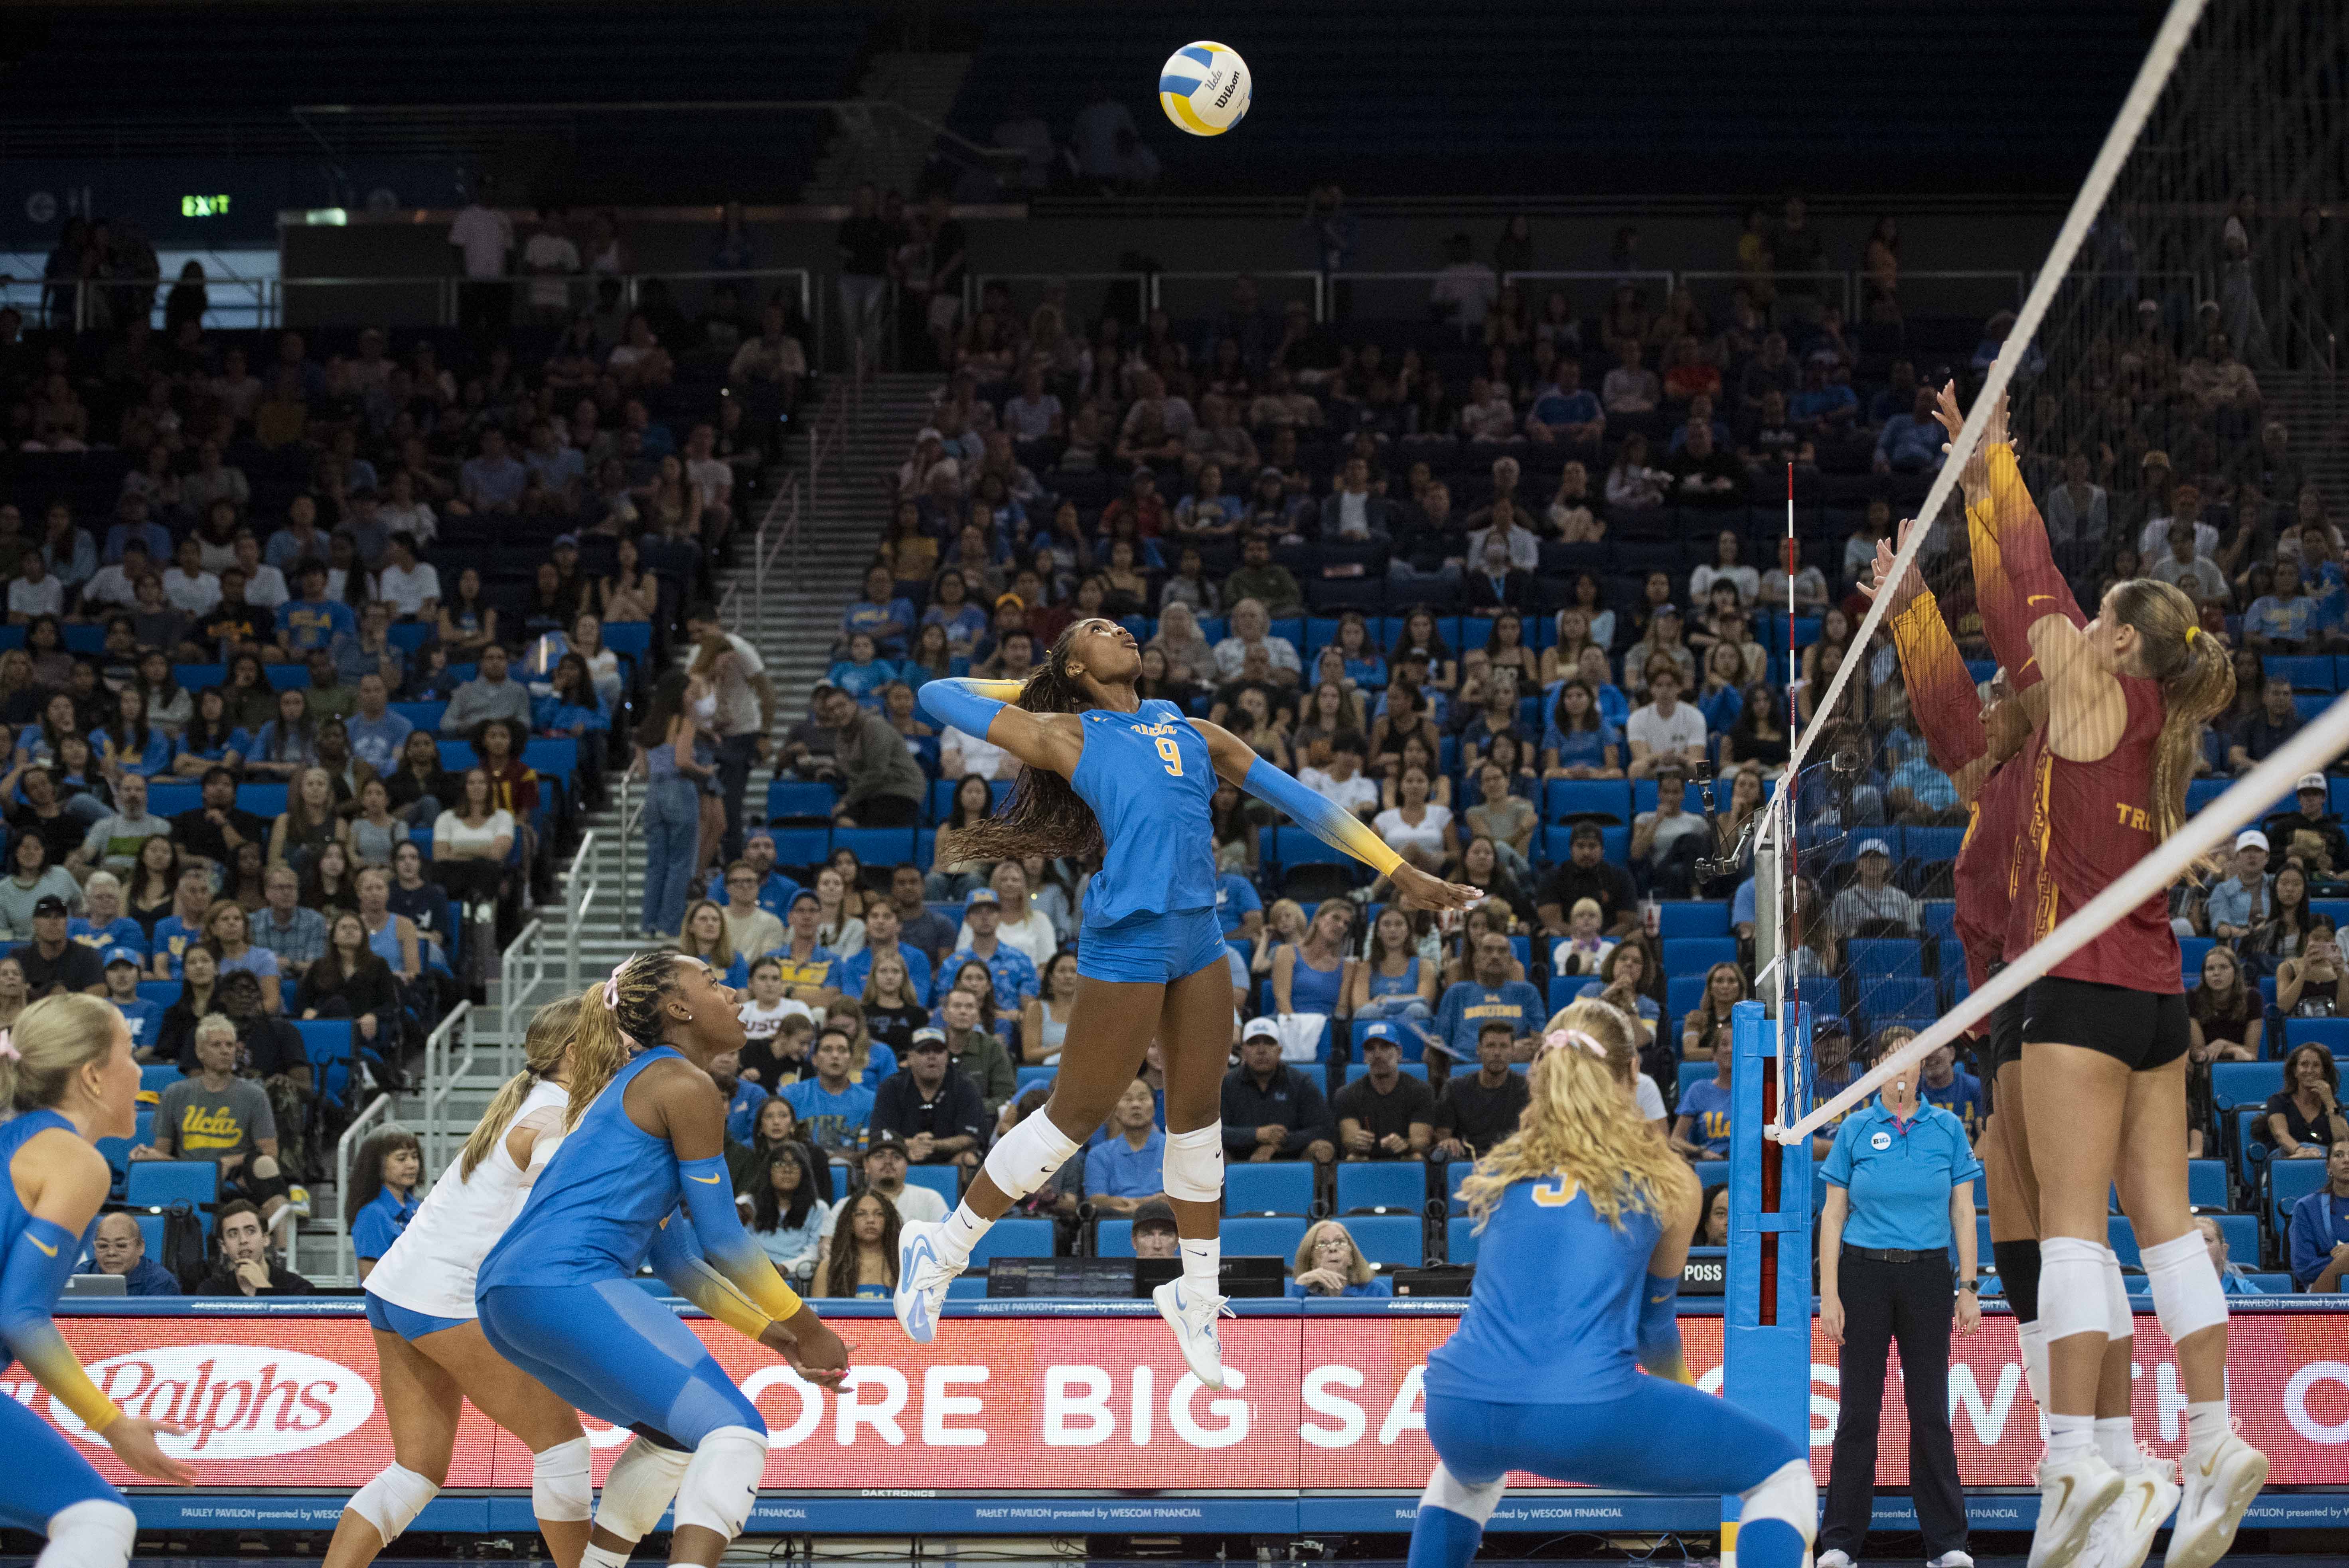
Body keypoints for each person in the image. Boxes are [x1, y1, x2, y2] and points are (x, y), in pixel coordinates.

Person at [896, 618, 1477, 1384]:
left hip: (1199, 935)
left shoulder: (1191, 730)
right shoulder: (1068, 734)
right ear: (1075, 666)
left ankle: (1195, 1296)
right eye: (1101, 631)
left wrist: (1402, 873)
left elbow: (1301, 800)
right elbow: (938, 693)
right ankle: (942, 1247)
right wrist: (1040, 689)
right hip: (1128, 937)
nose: (1123, 630)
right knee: (1074, 1116)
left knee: (1198, 1117)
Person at [1950, 387, 2260, 1568]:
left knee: (2075, 1231)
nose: (2076, 630)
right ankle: (2216, 1432)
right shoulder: (2151, 719)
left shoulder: (2091, 691)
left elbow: (2020, 591)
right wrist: (1982, 487)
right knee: (2168, 1227)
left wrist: (1992, 469)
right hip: (2157, 999)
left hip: (2075, 992)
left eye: (2096, 621)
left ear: (2120, 636)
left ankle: (2086, 1457)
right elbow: (2018, 603)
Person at [1408, 1003, 1816, 1568]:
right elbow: (1652, 1331)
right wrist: (1688, 1394)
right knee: (1781, 1471)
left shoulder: (1509, 1165)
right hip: (1583, 1410)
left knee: (1462, 1481)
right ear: (1633, 1077)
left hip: (1457, 1407)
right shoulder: (1667, 1175)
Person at [474, 957, 851, 1568]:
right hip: (562, 1283)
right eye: (713, 980)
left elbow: (677, 1261)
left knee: (672, 1437)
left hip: (506, 1301)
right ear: (678, 1008)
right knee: (736, 1431)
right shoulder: (684, 1084)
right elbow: (725, 1242)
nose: (732, 991)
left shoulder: (640, 1084)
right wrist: (812, 1328)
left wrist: (779, 1337)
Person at [0, 991, 196, 1560]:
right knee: (98, 1516)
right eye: (129, 1052)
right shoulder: (73, 1158)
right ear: (92, 1075)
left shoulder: (19, 1143)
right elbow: (19, 1314)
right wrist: (112, 1422)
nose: (139, 1068)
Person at [1815, 1054, 1984, 1568]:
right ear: (1875, 1073)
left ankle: (1947, 1544)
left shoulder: (1947, 1127)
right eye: (1891, 1065)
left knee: (1930, 1410)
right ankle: (1840, 1542)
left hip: (1928, 1276)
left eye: (1910, 1063)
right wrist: (1829, 1292)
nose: (1902, 1073)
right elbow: (1834, 1212)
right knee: (1858, 1412)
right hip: (1862, 1275)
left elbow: (1962, 1209)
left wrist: (1969, 1286)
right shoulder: (1855, 1128)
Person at [135, 1012, 295, 1224]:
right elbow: (162, 1154)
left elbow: (270, 1153)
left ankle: (281, 1254)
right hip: (188, 1178)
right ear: (200, 1052)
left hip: (235, 1183)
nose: (225, 1051)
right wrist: (146, 1155)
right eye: (217, 1045)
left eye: (230, 1045)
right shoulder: (175, 1094)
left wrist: (230, 1162)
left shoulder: (254, 1094)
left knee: (271, 1182)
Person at [1221, 1018, 1339, 1166]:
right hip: (1238, 1161)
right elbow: (1214, 1131)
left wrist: (1279, 1144)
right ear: (1244, 1050)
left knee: (1323, 1148)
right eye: (1253, 1043)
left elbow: (1325, 1129)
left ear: (1280, 1050)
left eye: (1269, 1043)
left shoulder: (1300, 1082)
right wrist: (1256, 1135)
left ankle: (1309, 1189)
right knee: (1213, 1153)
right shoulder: (1227, 1083)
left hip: (1292, 1159)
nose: (1261, 1050)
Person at [867, 1030, 985, 1170]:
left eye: (938, 1051)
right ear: (910, 1058)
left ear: (947, 1056)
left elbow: (971, 1138)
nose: (932, 1057)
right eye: (923, 1051)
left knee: (969, 1159)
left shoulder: (965, 1086)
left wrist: (932, 1146)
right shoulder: (892, 1087)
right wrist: (910, 1145)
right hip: (904, 1156)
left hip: (952, 1159)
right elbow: (879, 1135)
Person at [1431, 1022, 1533, 1160]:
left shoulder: (1527, 1088)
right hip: (1466, 1164)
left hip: (1513, 1162)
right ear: (1479, 1049)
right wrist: (1448, 1142)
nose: (1497, 1053)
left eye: (1504, 1046)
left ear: (1513, 1050)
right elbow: (1442, 1136)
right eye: (1490, 1046)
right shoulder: (1455, 1088)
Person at [1334, 1022, 1436, 1160]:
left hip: (1404, 1157)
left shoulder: (1421, 1091)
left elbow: (1422, 1141)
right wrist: (1357, 1142)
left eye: (1385, 1047)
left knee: (1416, 1157)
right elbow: (1349, 1140)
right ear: (1365, 1056)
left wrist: (1405, 1144)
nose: (1378, 1055)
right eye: (1371, 1049)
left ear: (1399, 1053)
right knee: (1353, 1158)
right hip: (1367, 1158)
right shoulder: (1347, 1094)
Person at [194, 1198, 315, 1295]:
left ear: (266, 1239)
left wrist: (263, 1287)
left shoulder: (298, 1288)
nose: (243, 1240)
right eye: (233, 1234)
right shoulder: (211, 1292)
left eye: (251, 1231)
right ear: (223, 1246)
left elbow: (293, 1325)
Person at [2285, 1139, 2349, 1293]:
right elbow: (2304, 1268)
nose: (2347, 1160)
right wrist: (2342, 1261)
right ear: (2328, 1167)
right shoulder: (2306, 1208)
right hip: (2325, 1294)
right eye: (2339, 1155)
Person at [2264, 1043, 2345, 1158]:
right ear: (2295, 1071)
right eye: (2304, 1065)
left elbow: (2342, 1140)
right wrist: (2301, 1152)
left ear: (2324, 1073)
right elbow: (2280, 1134)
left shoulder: (2335, 1105)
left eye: (2316, 1065)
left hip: (2323, 1161)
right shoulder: (2278, 1101)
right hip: (2286, 1159)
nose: (2310, 1070)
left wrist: (2330, 1102)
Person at [1289, 1219, 1394, 1297]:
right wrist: (1302, 1282)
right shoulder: (1302, 1292)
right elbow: (1290, 1326)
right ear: (1311, 1260)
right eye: (1322, 1244)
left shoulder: (1375, 1292)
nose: (1333, 1248)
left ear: (1351, 1257)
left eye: (1340, 1242)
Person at [88, 1209, 179, 1296]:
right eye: (103, 1246)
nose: (111, 1253)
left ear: (140, 1247)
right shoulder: (81, 1274)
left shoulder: (161, 1283)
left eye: (121, 1246)